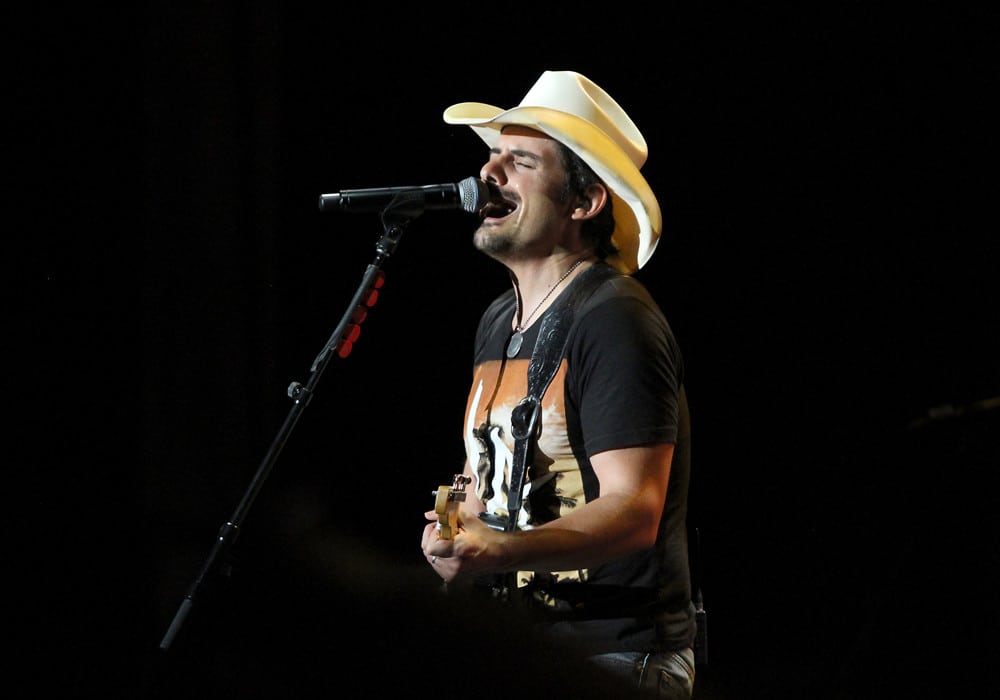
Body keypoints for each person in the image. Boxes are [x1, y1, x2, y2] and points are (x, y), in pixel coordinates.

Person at [420, 70, 696, 699]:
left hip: (615, 657)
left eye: (519, 160)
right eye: (491, 156)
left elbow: (634, 510)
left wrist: (496, 552)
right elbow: (485, 481)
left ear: (584, 202)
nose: (489, 174)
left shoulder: (615, 319)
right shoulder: (498, 320)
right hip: (522, 646)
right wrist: (457, 529)